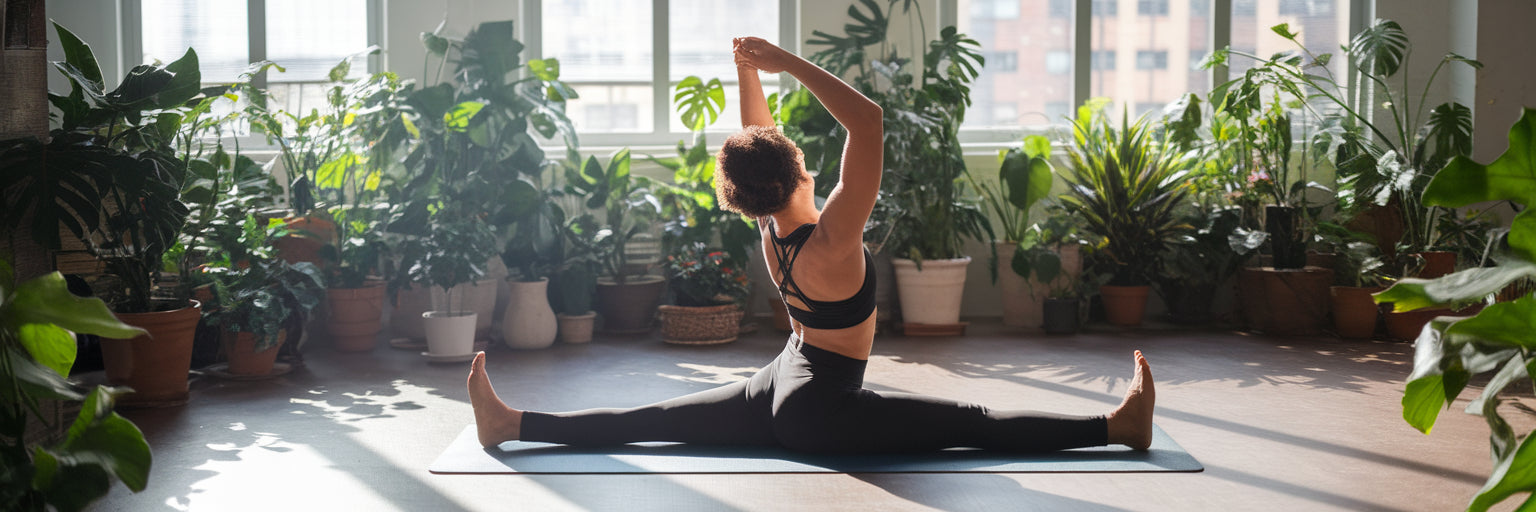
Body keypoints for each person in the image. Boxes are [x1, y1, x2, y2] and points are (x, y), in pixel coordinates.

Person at [468, 37, 1155, 453]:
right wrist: (786, 63)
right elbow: (869, 121)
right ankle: (1117, 428)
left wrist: (747, 71)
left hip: (785, 380)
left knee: (653, 418)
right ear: (796, 170)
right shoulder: (833, 235)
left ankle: (514, 424)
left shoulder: (772, 225)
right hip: (823, 410)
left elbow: (756, 138)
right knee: (972, 421)